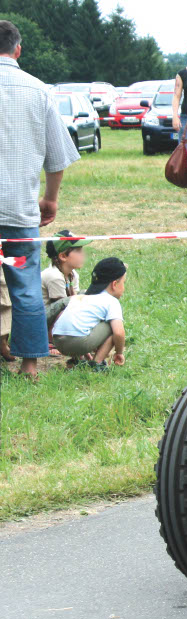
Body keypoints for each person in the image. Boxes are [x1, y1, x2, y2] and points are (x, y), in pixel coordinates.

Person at [0, 20, 80, 378]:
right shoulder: (39, 91)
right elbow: (58, 156)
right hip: (19, 214)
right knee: (25, 286)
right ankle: (30, 364)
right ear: (18, 49)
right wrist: (50, 199)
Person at [51, 257, 127, 370]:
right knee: (111, 326)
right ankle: (97, 363)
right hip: (77, 342)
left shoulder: (82, 297)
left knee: (83, 323)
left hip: (57, 340)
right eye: (123, 283)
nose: (124, 288)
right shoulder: (111, 301)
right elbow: (119, 333)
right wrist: (119, 352)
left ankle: (78, 360)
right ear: (114, 284)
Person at [41, 231, 91, 330]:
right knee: (73, 302)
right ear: (63, 256)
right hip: (42, 320)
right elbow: (60, 308)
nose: (83, 254)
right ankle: (51, 338)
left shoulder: (72, 275)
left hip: (56, 314)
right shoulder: (54, 276)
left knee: (88, 295)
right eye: (78, 251)